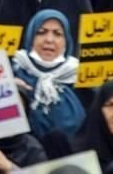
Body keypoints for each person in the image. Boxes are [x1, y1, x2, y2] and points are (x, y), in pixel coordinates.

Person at [11, 9, 86, 141]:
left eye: (57, 34)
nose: (49, 40)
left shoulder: (81, 77)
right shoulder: (14, 71)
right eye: (41, 32)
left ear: (66, 41)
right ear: (30, 37)